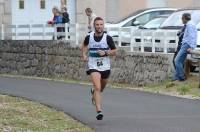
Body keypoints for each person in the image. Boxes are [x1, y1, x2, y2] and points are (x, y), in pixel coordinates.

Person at [81, 17, 117, 120]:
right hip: (93, 65)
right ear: (94, 26)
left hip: (105, 66)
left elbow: (115, 51)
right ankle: (99, 111)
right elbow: (84, 45)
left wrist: (106, 52)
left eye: (101, 24)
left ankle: (94, 94)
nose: (99, 27)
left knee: (101, 88)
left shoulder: (108, 38)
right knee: (97, 87)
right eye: (97, 25)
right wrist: (84, 55)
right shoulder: (89, 37)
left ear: (103, 26)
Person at [173, 13, 197, 81]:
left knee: (177, 61)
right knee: (179, 61)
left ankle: (182, 77)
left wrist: (191, 47)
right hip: (185, 44)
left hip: (186, 45)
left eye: (182, 18)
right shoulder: (189, 24)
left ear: (184, 18)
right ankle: (176, 78)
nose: (181, 20)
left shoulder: (190, 25)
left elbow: (192, 36)